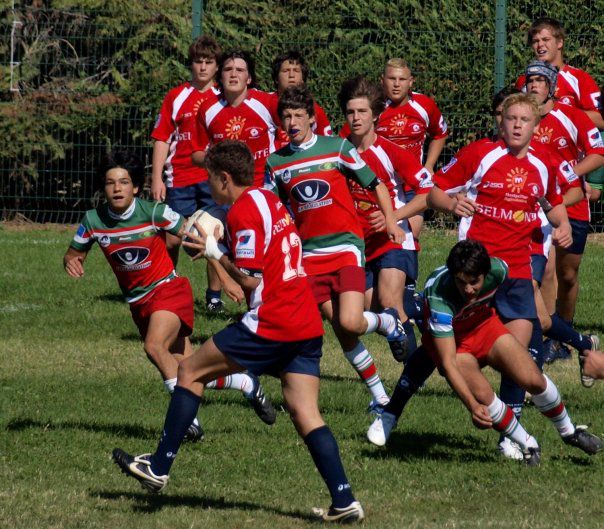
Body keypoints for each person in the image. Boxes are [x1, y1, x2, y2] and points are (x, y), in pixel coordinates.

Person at [112, 141, 365, 523]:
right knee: (305, 412)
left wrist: (216, 254)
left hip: (273, 320)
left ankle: (159, 466)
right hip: (306, 322)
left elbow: (250, 280)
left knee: (189, 370)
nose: (209, 185)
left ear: (224, 178)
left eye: (211, 179)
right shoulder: (267, 198)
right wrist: (221, 245)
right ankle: (344, 500)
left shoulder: (243, 210)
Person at [64, 150, 276, 435]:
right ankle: (245, 383)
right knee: (189, 370)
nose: (117, 188)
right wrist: (73, 261)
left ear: (136, 187)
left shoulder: (155, 212)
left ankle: (187, 422)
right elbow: (73, 253)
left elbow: (196, 239)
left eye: (124, 182)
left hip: (168, 291)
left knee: (154, 347)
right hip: (139, 304)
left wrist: (225, 279)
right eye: (111, 183)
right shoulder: (93, 221)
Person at [367, 240, 603, 463]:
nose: (468, 289)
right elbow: (448, 364)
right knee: (484, 397)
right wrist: (471, 405)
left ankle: (569, 432)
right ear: (452, 276)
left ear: (486, 274)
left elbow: (518, 298)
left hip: (484, 326)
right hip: (455, 342)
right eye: (461, 282)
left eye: (474, 282)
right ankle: (528, 445)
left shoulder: (499, 270)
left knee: (533, 379)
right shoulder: (440, 296)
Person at [265, 85, 407, 412]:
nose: (292, 122)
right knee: (343, 332)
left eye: (299, 115)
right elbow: (272, 209)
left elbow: (377, 184)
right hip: (310, 256)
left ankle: (388, 323)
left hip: (345, 247)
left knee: (352, 321)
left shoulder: (337, 148)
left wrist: (390, 221)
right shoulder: (276, 162)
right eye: (286, 116)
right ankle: (380, 397)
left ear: (312, 119)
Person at [338, 75, 432, 361]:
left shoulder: (391, 152)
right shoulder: (338, 151)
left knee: (390, 302)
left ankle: (413, 370)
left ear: (376, 115)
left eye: (362, 111)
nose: (356, 118)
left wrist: (392, 216)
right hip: (360, 242)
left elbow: (426, 192)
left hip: (394, 237)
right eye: (351, 112)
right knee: (375, 312)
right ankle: (419, 306)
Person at [525, 60, 604, 378]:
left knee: (567, 276)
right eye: (529, 80)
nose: (532, 85)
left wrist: (569, 175)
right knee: (544, 274)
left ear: (551, 87)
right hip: (536, 208)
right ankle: (545, 341)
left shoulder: (572, 117)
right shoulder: (521, 116)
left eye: (539, 81)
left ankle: (566, 335)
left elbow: (598, 153)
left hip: (572, 206)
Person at [150, 35, 228, 313]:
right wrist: (156, 177)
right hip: (179, 177)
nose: (203, 67)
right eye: (198, 62)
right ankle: (166, 288)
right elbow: (161, 138)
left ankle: (214, 297)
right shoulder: (176, 96)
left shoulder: (223, 97)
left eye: (209, 62)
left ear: (217, 66)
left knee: (212, 235)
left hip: (212, 179)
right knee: (171, 236)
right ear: (191, 65)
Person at [191, 49, 279, 187]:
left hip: (264, 186)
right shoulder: (207, 109)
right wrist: (218, 159)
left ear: (249, 78)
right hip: (226, 191)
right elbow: (196, 155)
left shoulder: (268, 102)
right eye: (228, 69)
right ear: (220, 76)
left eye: (239, 70)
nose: (233, 74)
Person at [515, 17, 603, 129]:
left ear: (560, 43)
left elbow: (600, 120)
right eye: (535, 41)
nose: (540, 45)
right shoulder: (524, 81)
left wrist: (557, 109)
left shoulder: (580, 78)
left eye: (546, 39)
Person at [269, 50, 332, 147]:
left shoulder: (314, 109)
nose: (291, 75)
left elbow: (327, 143)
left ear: (303, 78)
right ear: (277, 78)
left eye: (296, 71)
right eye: (286, 71)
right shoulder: (265, 103)